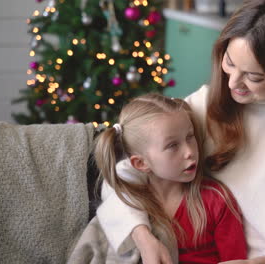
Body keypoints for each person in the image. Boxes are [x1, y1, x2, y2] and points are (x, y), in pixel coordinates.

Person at [97, 0, 265, 263]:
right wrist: (142, 236)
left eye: (254, 77)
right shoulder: (206, 106)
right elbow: (122, 173)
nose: (233, 84)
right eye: (229, 63)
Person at [93, 94, 247, 263]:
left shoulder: (216, 201)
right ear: (140, 163)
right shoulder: (131, 202)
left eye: (190, 136)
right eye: (172, 145)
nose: (189, 151)